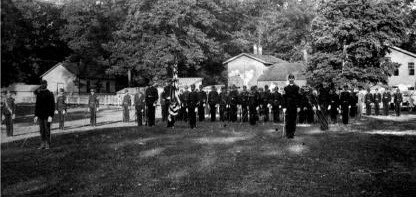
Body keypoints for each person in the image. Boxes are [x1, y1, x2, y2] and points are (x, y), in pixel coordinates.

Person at [34, 80, 55, 149]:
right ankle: (42, 144)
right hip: (40, 115)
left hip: (47, 115)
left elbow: (52, 105)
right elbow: (37, 105)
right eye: (42, 84)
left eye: (44, 84)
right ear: (41, 85)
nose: (43, 85)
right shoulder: (39, 94)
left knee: (47, 130)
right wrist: (36, 115)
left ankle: (47, 144)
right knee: (41, 130)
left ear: (46, 85)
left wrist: (51, 115)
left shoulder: (50, 94)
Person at [282, 74, 301, 139]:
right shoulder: (285, 88)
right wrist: (284, 107)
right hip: (288, 106)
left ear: (294, 79)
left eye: (292, 78)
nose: (291, 79)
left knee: (293, 120)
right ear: (288, 79)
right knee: (288, 120)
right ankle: (288, 134)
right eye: (290, 78)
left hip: (294, 106)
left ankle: (292, 134)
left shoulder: (297, 88)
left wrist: (298, 106)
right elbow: (284, 98)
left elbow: (298, 98)